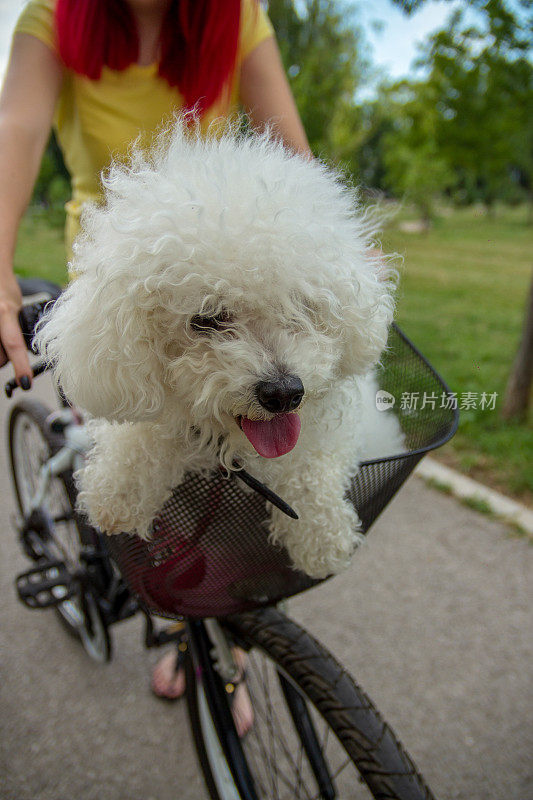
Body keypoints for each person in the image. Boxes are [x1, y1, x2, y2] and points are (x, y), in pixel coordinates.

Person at [0, 0, 311, 730]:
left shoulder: (236, 18)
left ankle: (223, 642)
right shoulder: (51, 18)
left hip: (225, 273)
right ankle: (176, 619)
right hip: (121, 285)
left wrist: (330, 255)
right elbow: (15, 128)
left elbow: (291, 156)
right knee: (146, 463)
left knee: (233, 490)